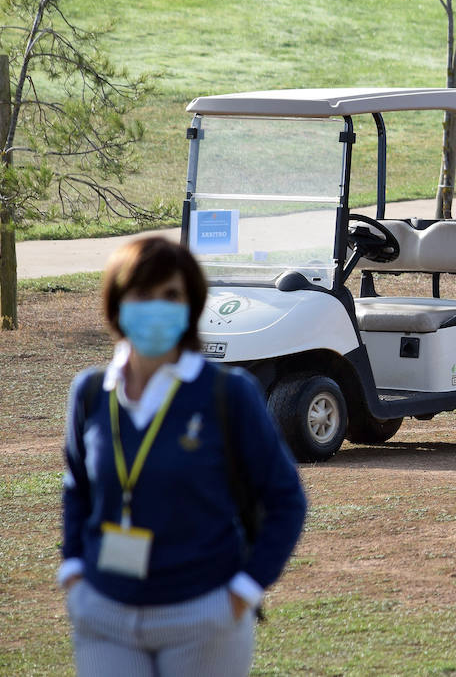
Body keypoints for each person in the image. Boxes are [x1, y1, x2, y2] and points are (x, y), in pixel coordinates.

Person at [60, 238, 307, 676]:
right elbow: (77, 488)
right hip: (104, 614)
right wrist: (74, 575)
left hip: (202, 619)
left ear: (191, 305)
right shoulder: (91, 394)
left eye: (171, 295)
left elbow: (286, 500)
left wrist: (242, 593)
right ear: (117, 304)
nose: (156, 307)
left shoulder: (229, 394)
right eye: (141, 294)